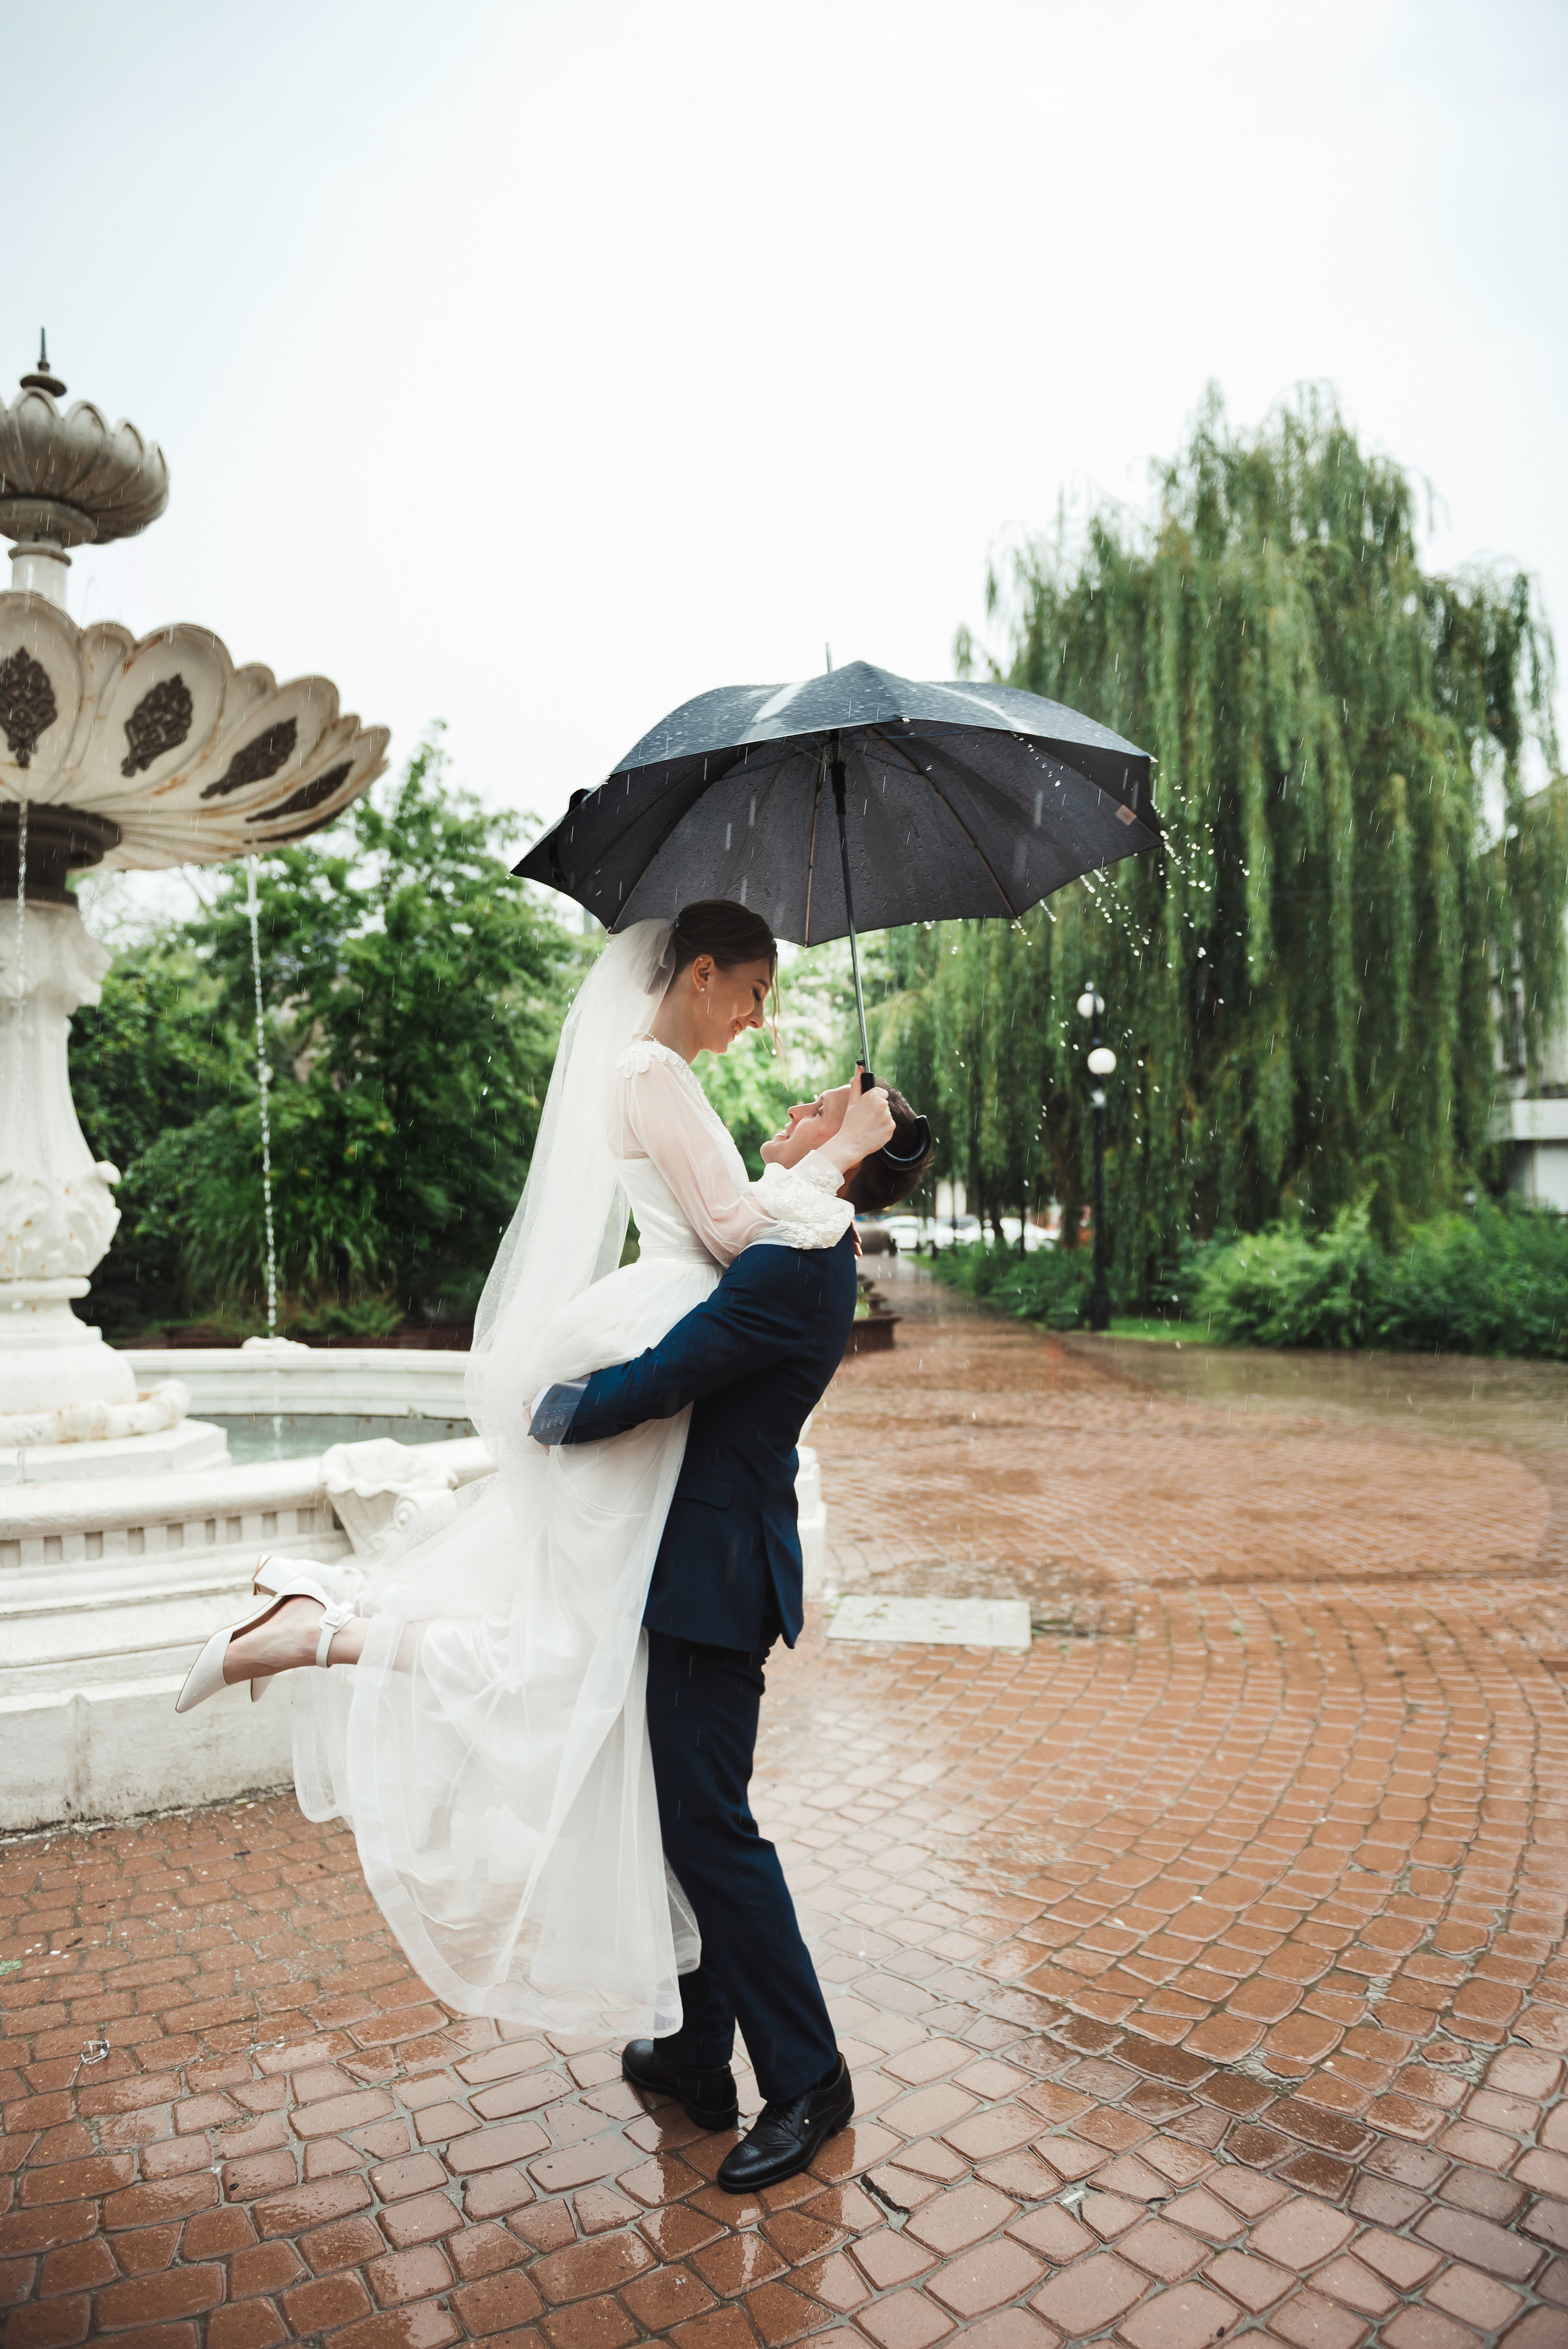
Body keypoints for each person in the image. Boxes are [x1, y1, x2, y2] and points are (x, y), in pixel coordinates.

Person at [173, 906, 896, 2052]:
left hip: (666, 1404)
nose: (761, 1023)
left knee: (577, 1672)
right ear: (699, 974)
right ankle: (321, 1626)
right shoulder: (657, 1074)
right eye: (752, 990)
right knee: (570, 1665)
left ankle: (327, 1623)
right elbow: (727, 1228)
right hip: (656, 1374)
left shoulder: (787, 1236)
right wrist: (834, 1146)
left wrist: (837, 1152)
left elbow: (743, 1241)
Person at [529, 1069, 933, 2190]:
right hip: (691, 1562)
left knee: (711, 1826)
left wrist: (552, 1408)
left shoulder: (803, 1257)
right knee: (680, 1817)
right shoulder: (795, 1238)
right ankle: (701, 2051)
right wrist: (840, 1136)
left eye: (818, 1106)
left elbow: (670, 1375)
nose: (793, 1107)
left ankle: (809, 2077)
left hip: (717, 1576)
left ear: (849, 1145)